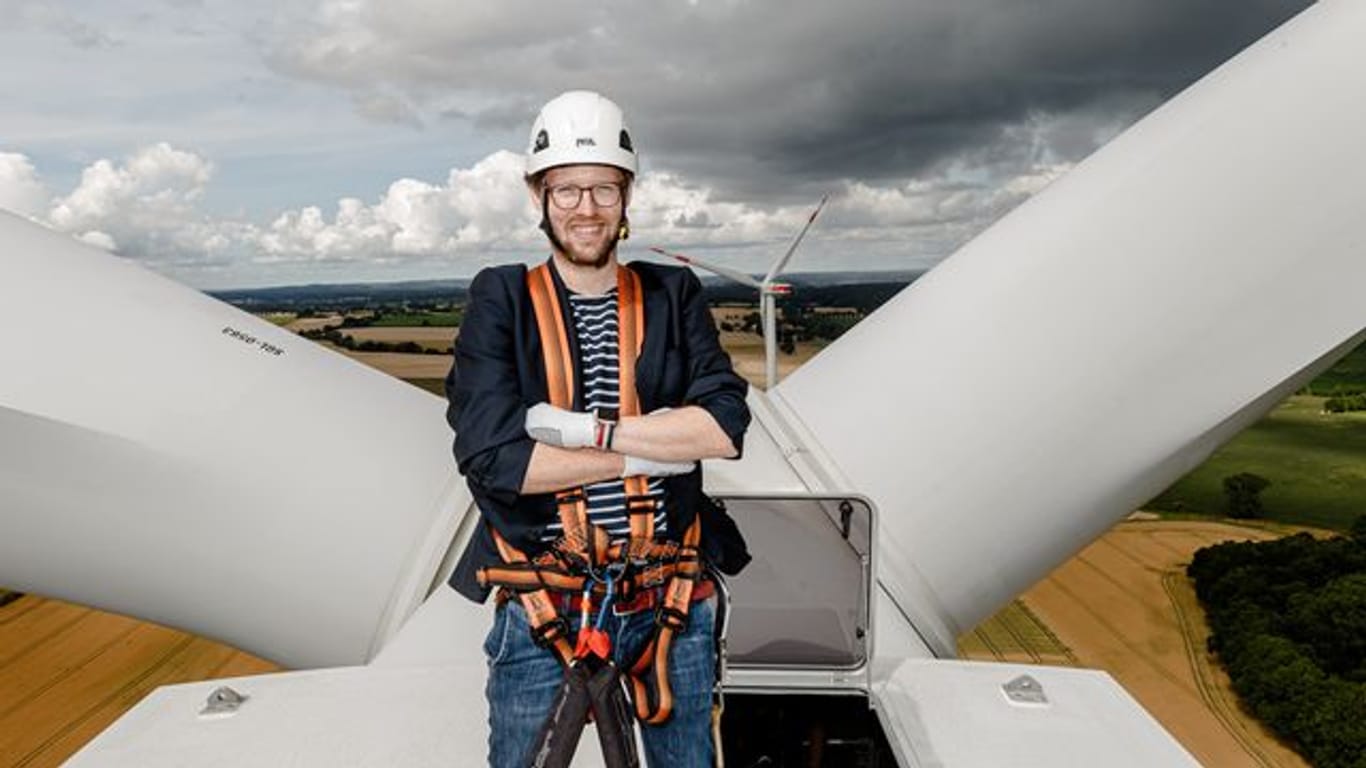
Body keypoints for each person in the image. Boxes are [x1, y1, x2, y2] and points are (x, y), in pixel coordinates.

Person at [444, 90, 751, 767]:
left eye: (604, 191)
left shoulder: (673, 295)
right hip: (544, 602)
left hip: (670, 599)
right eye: (568, 191)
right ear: (539, 196)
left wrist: (581, 433)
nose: (586, 209)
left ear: (626, 195)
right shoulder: (502, 299)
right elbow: (498, 460)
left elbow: (724, 427)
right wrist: (660, 448)